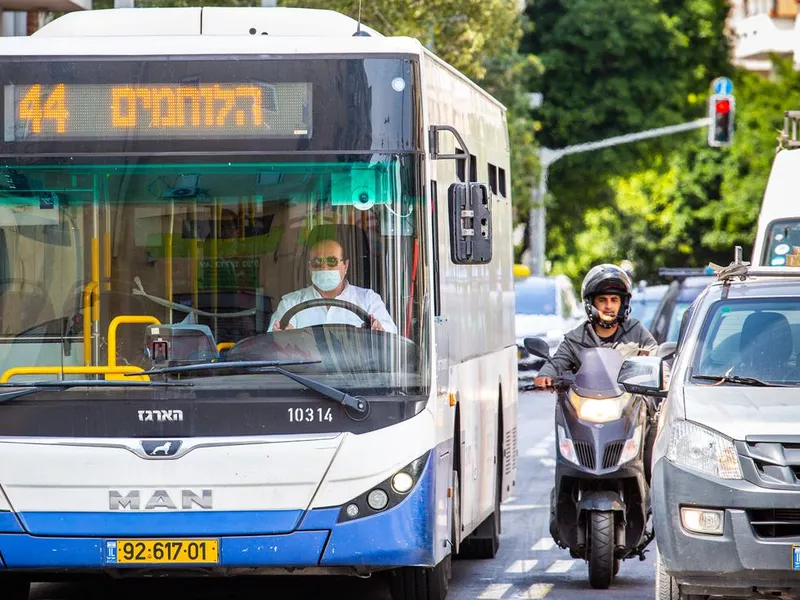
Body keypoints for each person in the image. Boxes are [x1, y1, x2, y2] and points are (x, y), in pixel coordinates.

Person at [534, 264, 657, 390]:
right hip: (585, 403)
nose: (609, 306)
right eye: (602, 300)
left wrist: (664, 378)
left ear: (622, 304)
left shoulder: (636, 332)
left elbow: (656, 357)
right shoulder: (575, 339)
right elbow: (557, 362)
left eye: (614, 300)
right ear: (591, 304)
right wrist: (545, 375)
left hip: (630, 404)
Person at [268, 238, 397, 333]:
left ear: (345, 265)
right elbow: (273, 345)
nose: (324, 267)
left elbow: (391, 336)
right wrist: (281, 338)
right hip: (304, 370)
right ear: (309, 267)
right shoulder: (290, 303)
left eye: (332, 261)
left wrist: (380, 330)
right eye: (317, 261)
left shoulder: (368, 299)